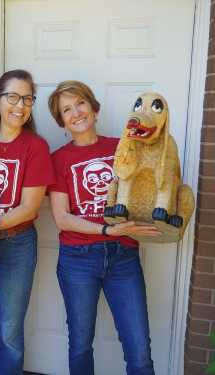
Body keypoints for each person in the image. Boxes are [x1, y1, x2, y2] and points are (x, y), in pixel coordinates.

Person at [47, 80, 160, 375]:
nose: (76, 113)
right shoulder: (59, 159)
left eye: (80, 104)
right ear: (62, 122)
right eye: (66, 110)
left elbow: (144, 191)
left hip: (124, 257)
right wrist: (106, 230)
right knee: (81, 345)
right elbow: (61, 218)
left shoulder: (122, 147)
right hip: (78, 260)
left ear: (94, 109)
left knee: (139, 349)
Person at [0, 69, 55, 375]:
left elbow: (29, 208)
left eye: (28, 98)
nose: (20, 105)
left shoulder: (35, 147)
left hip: (17, 246)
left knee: (9, 333)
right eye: (13, 97)